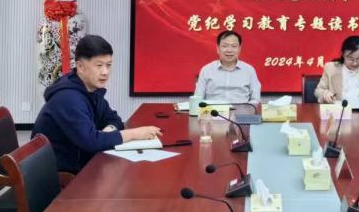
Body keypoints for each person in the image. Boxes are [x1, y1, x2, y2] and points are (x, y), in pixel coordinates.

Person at [32, 35, 162, 173]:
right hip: (60, 176)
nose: (105, 72)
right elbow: (91, 142)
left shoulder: (92, 90)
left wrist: (105, 134)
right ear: (80, 67)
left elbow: (114, 119)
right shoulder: (67, 98)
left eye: (108, 65)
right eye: (99, 66)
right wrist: (134, 134)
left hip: (83, 163)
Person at [193, 30, 261, 105]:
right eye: (225, 46)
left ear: (239, 49)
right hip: (213, 111)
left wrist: (247, 110)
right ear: (218, 48)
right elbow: (197, 99)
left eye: (234, 46)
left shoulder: (249, 70)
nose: (229, 50)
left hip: (242, 111)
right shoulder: (206, 70)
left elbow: (256, 100)